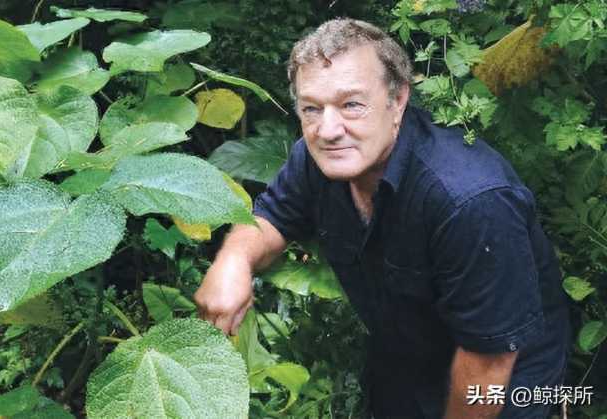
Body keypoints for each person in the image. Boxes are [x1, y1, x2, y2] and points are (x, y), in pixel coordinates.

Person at [194, 18, 571, 418]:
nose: (328, 129)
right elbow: (275, 214)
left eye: (351, 105)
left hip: (501, 389)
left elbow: (489, 362)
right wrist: (233, 260)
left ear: (398, 99)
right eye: (311, 108)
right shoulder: (319, 157)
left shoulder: (469, 201)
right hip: (407, 363)